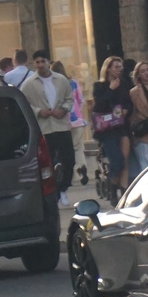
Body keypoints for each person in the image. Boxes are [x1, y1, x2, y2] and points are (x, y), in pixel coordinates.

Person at [21, 50, 75, 206]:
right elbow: (26, 105)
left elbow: (69, 99)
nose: (40, 65)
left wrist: (64, 109)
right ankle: (53, 193)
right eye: (37, 62)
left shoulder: (61, 80)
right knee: (47, 164)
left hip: (61, 125)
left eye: (42, 61)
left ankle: (64, 187)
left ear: (48, 62)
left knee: (69, 160)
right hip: (45, 129)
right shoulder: (29, 84)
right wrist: (39, 112)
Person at [93, 56, 133, 207]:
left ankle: (123, 192)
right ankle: (112, 187)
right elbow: (99, 107)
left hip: (122, 126)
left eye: (120, 67)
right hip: (107, 130)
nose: (119, 70)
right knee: (117, 161)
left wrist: (126, 110)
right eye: (116, 67)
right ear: (108, 69)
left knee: (125, 160)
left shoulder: (125, 85)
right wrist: (110, 89)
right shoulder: (100, 86)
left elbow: (129, 103)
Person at [51, 61, 89, 186]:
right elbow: (80, 100)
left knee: (64, 150)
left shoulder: (53, 85)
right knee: (78, 148)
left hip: (61, 122)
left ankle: (67, 175)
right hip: (77, 120)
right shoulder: (73, 83)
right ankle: (81, 167)